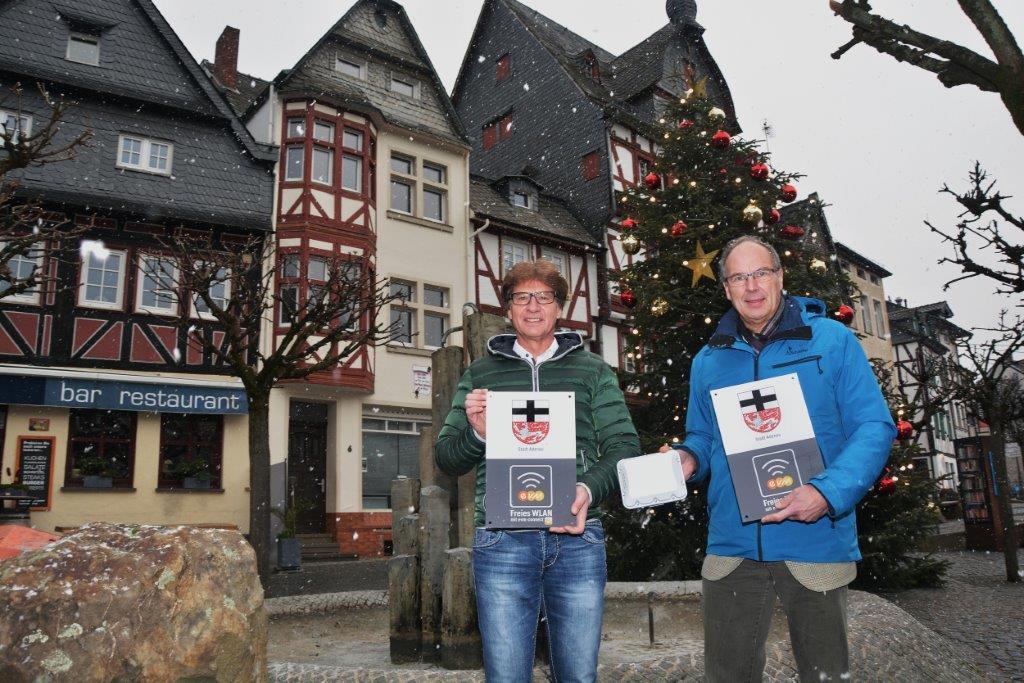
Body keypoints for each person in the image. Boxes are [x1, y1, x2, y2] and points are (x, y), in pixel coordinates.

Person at [670, 235, 894, 682]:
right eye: (739, 277)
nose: (752, 286)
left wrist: (827, 493)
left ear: (780, 277)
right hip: (733, 544)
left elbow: (874, 427)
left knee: (824, 674)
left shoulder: (831, 341)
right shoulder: (707, 361)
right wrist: (688, 458)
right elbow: (703, 436)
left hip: (815, 538)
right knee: (727, 675)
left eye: (761, 273)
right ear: (726, 289)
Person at [435, 259, 640, 683]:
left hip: (579, 537)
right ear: (507, 309)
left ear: (559, 307)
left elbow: (624, 448)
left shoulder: (593, 371)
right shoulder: (480, 374)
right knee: (507, 676)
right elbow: (447, 458)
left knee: (578, 675)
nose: (533, 306)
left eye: (544, 297)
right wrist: (479, 435)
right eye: (521, 297)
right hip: (503, 539)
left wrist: (587, 489)